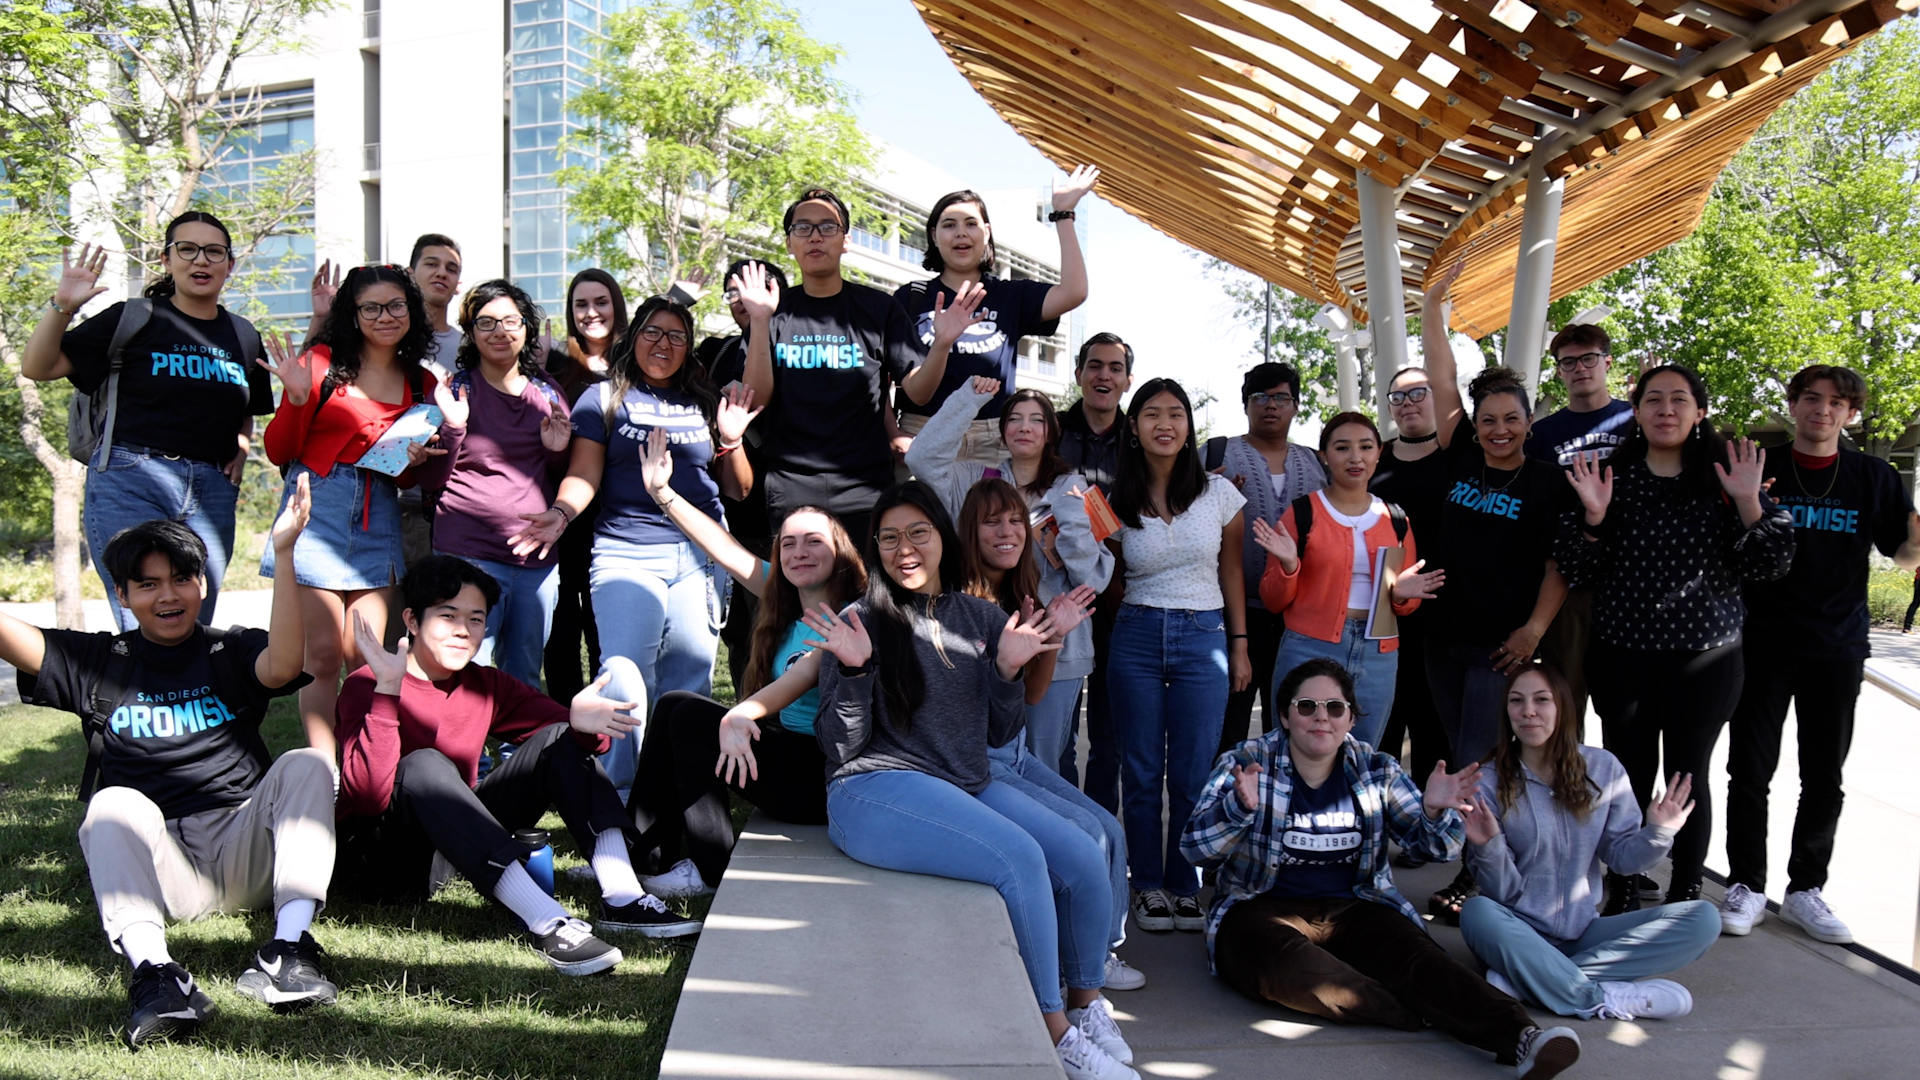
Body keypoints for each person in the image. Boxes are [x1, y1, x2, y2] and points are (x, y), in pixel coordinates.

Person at [816, 483, 1138, 1080]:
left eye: (917, 533)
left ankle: (1085, 1002)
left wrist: (1011, 667)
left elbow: (998, 732)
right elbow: (840, 745)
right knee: (1020, 857)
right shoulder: (860, 620)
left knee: (1084, 853)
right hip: (873, 787)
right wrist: (856, 671)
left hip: (963, 778)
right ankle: (1055, 1033)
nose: (903, 548)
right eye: (888, 538)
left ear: (941, 538)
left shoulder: (983, 616)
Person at [1, 480, 338, 1047]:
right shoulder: (98, 662)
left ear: (202, 584)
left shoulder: (227, 650)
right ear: (124, 593)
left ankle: (287, 951)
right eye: (149, 583)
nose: (168, 595)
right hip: (167, 869)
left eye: (182, 578)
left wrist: (284, 552)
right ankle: (157, 977)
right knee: (111, 803)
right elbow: (16, 640)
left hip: (246, 845)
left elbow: (284, 665)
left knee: (308, 763)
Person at [1182, 658, 1581, 1079]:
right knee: (1300, 975)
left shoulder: (1376, 769)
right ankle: (1425, 1011)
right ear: (1284, 715)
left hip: (1357, 906)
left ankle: (1525, 1040)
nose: (1322, 717)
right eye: (1307, 706)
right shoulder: (1246, 763)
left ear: (1350, 718)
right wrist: (1236, 810)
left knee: (1423, 963)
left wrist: (1431, 810)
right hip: (1261, 906)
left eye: (1335, 708)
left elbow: (1437, 847)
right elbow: (1194, 849)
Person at [333, 556, 699, 975]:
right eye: (447, 616)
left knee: (560, 735)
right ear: (412, 621)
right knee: (425, 765)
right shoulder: (369, 682)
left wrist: (581, 727)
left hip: (449, 846)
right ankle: (547, 921)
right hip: (379, 861)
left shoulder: (483, 684)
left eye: (475, 619)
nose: (462, 631)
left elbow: (578, 743)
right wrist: (387, 692)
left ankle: (624, 897)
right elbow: (365, 798)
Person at [1558, 363, 1794, 909]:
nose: (1666, 410)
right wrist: (1593, 517)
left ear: (1699, 411)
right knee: (1629, 777)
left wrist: (1748, 503)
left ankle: (1686, 885)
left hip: (1704, 660)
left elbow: (1773, 564)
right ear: (1635, 411)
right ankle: (1622, 882)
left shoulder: (1727, 477)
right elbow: (1576, 569)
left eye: (1679, 400)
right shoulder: (1606, 474)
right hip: (1623, 656)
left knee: (1688, 774)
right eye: (1654, 399)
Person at [507, 295, 754, 792]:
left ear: (688, 346)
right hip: (626, 551)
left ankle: (681, 793)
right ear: (633, 336)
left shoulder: (703, 400)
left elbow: (738, 488)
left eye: (676, 336)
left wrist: (731, 440)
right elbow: (583, 473)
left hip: (702, 556)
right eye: (653, 332)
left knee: (690, 677)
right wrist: (560, 513)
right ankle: (619, 795)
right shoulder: (602, 398)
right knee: (623, 673)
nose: (664, 344)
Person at [623, 427, 867, 899]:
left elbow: (805, 675)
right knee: (675, 704)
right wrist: (663, 493)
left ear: (839, 550)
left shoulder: (856, 613)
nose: (798, 552)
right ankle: (640, 856)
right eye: (789, 543)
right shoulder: (788, 601)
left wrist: (742, 712)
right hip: (792, 756)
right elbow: (724, 548)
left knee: (693, 719)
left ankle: (709, 867)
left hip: (824, 775)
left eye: (813, 541)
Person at [1723, 364, 1920, 944]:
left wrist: (1916, 537)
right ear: (1793, 404)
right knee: (1749, 770)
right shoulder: (1763, 466)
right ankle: (1746, 885)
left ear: (1850, 413)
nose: (1823, 410)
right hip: (1761, 642)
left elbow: (1903, 555)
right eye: (1812, 399)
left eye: (1837, 403)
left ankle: (1806, 889)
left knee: (1823, 775)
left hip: (1836, 646)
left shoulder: (1874, 476)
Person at [24, 215, 273, 630]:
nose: (201, 260)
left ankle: (182, 696)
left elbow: (246, 405)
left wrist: (242, 449)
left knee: (193, 619)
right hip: (131, 479)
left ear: (229, 264)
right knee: (144, 621)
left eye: (214, 251)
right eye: (187, 249)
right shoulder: (134, 317)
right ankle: (140, 697)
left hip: (211, 490)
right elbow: (38, 366)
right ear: (167, 258)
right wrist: (62, 307)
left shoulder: (242, 335)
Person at [1460, 665, 1719, 1021]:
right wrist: (1488, 846)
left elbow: (1623, 859)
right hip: (1515, 934)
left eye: (1541, 700)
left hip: (1583, 931)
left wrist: (1659, 832)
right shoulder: (1487, 779)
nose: (1528, 711)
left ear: (1563, 708)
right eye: (1516, 701)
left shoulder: (1602, 768)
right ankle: (1597, 996)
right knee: (1477, 912)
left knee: (1703, 918)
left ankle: (1534, 981)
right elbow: (1502, 892)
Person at [259, 264, 443, 757]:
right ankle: (325, 770)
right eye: (371, 308)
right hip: (315, 507)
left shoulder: (421, 381)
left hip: (378, 513)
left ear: (411, 310)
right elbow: (279, 451)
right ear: (353, 314)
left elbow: (398, 474)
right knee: (319, 656)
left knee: (363, 656)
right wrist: (296, 400)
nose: (385, 316)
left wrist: (413, 462)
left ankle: (362, 761)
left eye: (396, 305)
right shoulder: (320, 362)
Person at [733, 186, 969, 542]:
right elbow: (755, 400)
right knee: (802, 596)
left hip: (865, 487)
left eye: (828, 227)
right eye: (803, 228)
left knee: (868, 596)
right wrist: (762, 321)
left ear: (845, 240)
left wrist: (943, 344)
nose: (815, 236)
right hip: (791, 486)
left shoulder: (879, 308)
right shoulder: (771, 312)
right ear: (789, 243)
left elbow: (919, 392)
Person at [909, 376, 1114, 771]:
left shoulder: (1077, 491)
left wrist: (1071, 522)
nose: (1025, 427)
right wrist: (967, 399)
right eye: (1015, 418)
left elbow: (1094, 580)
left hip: (1057, 652)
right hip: (979, 647)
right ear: (1002, 430)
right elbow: (922, 459)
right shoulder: (976, 481)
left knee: (1046, 760)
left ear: (1051, 432)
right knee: (987, 758)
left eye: (1037, 420)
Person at [1106, 378, 1249, 935]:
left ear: (1189, 426)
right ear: (1134, 428)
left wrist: (1239, 645)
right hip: (1136, 634)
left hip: (1204, 636)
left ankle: (1184, 881)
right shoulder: (1112, 498)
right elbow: (1107, 577)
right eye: (1150, 414)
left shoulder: (1220, 494)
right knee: (1140, 770)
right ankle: (1146, 883)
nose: (1164, 423)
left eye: (1176, 413)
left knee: (1192, 770)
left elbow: (1232, 572)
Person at [415, 280, 571, 689]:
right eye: (486, 323)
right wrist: (453, 428)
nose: (499, 332)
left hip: (535, 558)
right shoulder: (455, 390)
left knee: (523, 675)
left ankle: (515, 754)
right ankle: (465, 756)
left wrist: (555, 450)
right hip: (468, 553)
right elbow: (429, 480)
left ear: (526, 328)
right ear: (470, 332)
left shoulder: (547, 393)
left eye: (510, 321)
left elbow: (564, 477)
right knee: (463, 670)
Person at [1253, 412, 1441, 745]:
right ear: (1325, 455)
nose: (1356, 457)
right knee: (1297, 752)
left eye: (1365, 447)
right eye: (1342, 448)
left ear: (1378, 452)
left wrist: (1400, 595)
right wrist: (1288, 566)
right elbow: (1273, 599)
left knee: (1361, 756)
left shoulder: (1396, 518)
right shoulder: (1302, 513)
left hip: (1378, 652)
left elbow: (1404, 605)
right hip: (1308, 646)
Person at [891, 171, 1096, 464]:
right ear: (934, 235)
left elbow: (1075, 292)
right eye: (949, 225)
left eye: (971, 224)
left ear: (986, 233)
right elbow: (904, 388)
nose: (961, 233)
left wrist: (1063, 213)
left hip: (991, 440)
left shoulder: (1011, 295)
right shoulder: (909, 298)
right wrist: (942, 343)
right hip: (923, 434)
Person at [309, 237, 466, 571]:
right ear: (411, 274)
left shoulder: (470, 345)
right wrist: (320, 320)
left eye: (451, 268)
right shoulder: (365, 338)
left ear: (458, 284)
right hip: (373, 501)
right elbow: (305, 392)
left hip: (438, 504)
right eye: (431, 264)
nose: (442, 273)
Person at [1369, 263, 1463, 790]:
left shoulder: (1459, 455)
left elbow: (1443, 373)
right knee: (1383, 728)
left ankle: (1430, 824)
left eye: (1419, 393)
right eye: (1398, 397)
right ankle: (1379, 820)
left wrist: (1431, 310)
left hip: (1444, 616)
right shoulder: (1374, 459)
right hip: (1384, 613)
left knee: (1434, 729)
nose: (1408, 404)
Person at [1213, 362, 1328, 754]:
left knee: (1290, 724)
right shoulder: (1217, 455)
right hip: (1233, 613)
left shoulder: (1317, 463)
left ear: (1295, 406)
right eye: (1260, 397)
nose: (1270, 406)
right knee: (1229, 726)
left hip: (1298, 621)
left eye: (1281, 397)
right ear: (1245, 404)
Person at [1526, 323, 1633, 740]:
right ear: (1559, 371)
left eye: (1589, 358)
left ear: (1607, 362)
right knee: (1565, 709)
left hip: (1629, 583)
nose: (1580, 368)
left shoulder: (1634, 420)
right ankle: (1567, 797)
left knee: (1626, 712)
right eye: (1568, 362)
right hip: (1567, 583)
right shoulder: (1544, 434)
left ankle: (1622, 800)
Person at [692, 258, 788, 695]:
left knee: (784, 630)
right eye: (732, 293)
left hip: (788, 511)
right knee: (741, 633)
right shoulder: (716, 353)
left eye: (754, 289)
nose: (742, 300)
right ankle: (749, 725)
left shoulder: (804, 351)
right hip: (732, 515)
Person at [542, 268, 629, 702]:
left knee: (601, 616)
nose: (591, 312)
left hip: (616, 510)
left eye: (601, 301)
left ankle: (605, 709)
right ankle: (562, 713)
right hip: (564, 504)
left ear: (617, 305)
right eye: (581, 304)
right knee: (561, 617)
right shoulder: (556, 363)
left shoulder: (636, 361)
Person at [1057, 332, 1133, 809]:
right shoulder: (1051, 430)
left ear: (1127, 380)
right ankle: (1061, 822)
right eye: (1095, 365)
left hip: (1122, 597)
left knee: (1110, 732)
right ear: (1080, 373)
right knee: (1056, 730)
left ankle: (1101, 826)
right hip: (1057, 592)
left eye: (1115, 368)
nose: (1104, 375)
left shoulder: (1142, 436)